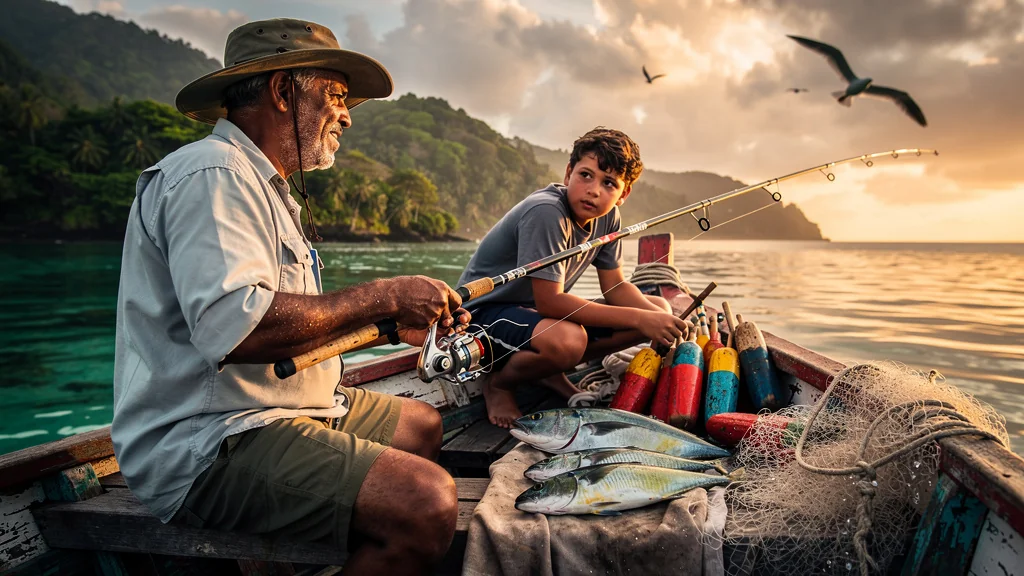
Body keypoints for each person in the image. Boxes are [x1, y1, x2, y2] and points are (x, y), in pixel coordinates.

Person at [111, 19, 467, 575]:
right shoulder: (212, 174)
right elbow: (239, 328)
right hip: (210, 442)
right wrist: (384, 294)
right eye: (337, 96)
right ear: (281, 91)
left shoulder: (261, 184)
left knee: (422, 425)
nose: (347, 115)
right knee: (427, 502)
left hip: (282, 411)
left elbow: (293, 321)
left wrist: (394, 324)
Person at [457, 127, 688, 428]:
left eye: (609, 183)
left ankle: (548, 369)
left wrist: (654, 319)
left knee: (658, 308)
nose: (593, 190)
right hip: (482, 316)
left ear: (624, 194)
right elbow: (550, 302)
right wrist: (639, 319)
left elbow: (616, 286)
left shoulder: (608, 217)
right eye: (586, 175)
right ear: (568, 173)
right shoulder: (546, 212)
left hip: (533, 316)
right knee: (569, 341)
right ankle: (499, 384)